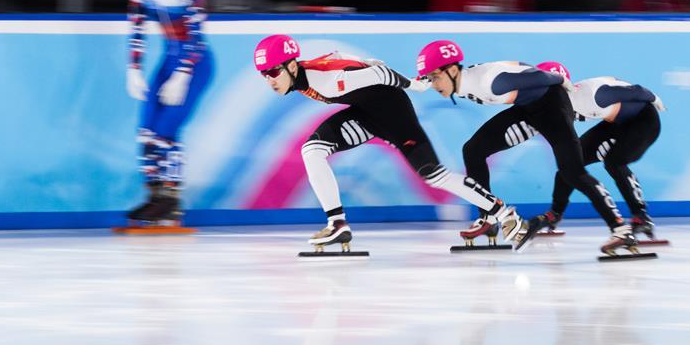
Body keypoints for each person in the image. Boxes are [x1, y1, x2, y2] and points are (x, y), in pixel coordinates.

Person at [253, 34, 526, 250]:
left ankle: (502, 213)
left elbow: (380, 75)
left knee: (433, 175)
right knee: (312, 150)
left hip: (393, 113)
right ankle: (337, 224)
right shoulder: (307, 74)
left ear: (291, 65)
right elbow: (343, 58)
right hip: (366, 115)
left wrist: (415, 85)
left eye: (273, 72)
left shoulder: (323, 81)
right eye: (263, 74)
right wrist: (364, 62)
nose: (269, 80)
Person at [417, 41, 635, 256]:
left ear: (453, 70)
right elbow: (429, 78)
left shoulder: (490, 83)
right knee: (473, 150)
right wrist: (417, 80)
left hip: (553, 108)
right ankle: (488, 217)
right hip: (526, 109)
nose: (434, 85)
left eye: (435, 78)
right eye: (431, 78)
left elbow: (538, 76)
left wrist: (561, 80)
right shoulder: (459, 80)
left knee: (573, 172)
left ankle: (620, 229)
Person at [124, 0, 215, 226]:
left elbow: (196, 37)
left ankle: (171, 198)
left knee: (166, 131)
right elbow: (137, 30)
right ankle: (154, 196)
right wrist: (134, 68)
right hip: (168, 60)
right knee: (146, 130)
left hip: (195, 63)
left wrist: (183, 75)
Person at [532, 64, 666, 242]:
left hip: (644, 121)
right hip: (616, 121)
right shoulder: (556, 103)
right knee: (569, 163)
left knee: (615, 162)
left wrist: (654, 98)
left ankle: (641, 216)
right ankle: (555, 214)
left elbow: (636, 91)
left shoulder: (594, 96)